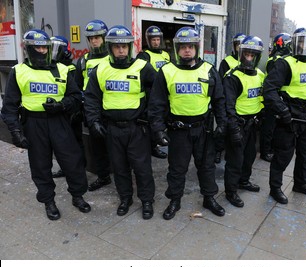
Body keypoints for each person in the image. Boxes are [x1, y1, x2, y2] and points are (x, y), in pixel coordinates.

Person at [1, 29, 91, 220]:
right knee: (40, 166)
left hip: (59, 121)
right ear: (29, 49)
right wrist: (16, 131)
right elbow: (9, 107)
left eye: (45, 47)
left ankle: (77, 195)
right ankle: (49, 201)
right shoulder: (19, 72)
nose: (42, 51)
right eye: (38, 47)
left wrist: (61, 105)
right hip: (33, 124)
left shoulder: (62, 69)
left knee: (72, 161)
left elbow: (76, 97)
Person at [148, 26, 227, 220]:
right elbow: (156, 103)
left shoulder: (208, 70)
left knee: (207, 166)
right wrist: (158, 129)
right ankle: (175, 200)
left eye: (191, 46)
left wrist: (222, 124)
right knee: (177, 168)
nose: (187, 50)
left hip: (203, 129)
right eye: (183, 46)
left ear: (196, 48)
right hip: (178, 130)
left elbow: (219, 100)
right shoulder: (167, 71)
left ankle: (209, 198)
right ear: (177, 49)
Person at [83, 25, 156, 219]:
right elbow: (91, 98)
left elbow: (157, 94)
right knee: (120, 167)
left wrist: (148, 116)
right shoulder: (101, 69)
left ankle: (147, 200)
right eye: (117, 47)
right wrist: (94, 121)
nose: (121, 50)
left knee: (142, 168)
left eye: (124, 46)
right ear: (110, 48)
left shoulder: (142, 67)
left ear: (130, 47)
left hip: (137, 128)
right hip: (112, 129)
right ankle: (125, 198)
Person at [262, 27, 306, 204]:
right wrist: (282, 111)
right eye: (300, 42)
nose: (304, 46)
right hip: (289, 115)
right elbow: (269, 89)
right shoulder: (285, 63)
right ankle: (275, 188)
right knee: (283, 155)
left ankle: (300, 183)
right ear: (294, 43)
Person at [223, 35, 265, 207]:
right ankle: (231, 191)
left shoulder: (261, 75)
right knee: (235, 160)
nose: (249, 58)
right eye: (246, 54)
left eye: (252, 55)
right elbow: (228, 105)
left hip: (253, 123)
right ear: (240, 54)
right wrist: (233, 129)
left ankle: (244, 181)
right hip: (238, 124)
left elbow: (262, 98)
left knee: (249, 156)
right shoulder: (232, 76)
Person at [74, 19, 112, 191]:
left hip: (112, 108)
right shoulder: (83, 61)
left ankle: (122, 175)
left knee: (118, 145)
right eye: (91, 38)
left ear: (104, 38)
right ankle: (103, 176)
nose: (94, 40)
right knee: (97, 146)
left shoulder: (113, 58)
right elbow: (77, 85)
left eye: (98, 37)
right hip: (92, 110)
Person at [50, 35, 83, 178]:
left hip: (71, 113)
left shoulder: (71, 69)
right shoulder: (51, 67)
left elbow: (76, 92)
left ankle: (79, 170)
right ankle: (66, 169)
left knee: (75, 143)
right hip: (57, 113)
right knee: (62, 146)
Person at [136, 25, 170, 159]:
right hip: (151, 94)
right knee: (150, 123)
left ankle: (158, 142)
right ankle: (151, 148)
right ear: (148, 40)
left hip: (165, 92)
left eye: (157, 39)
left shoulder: (166, 55)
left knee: (162, 120)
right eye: (153, 40)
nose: (156, 42)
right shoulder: (144, 55)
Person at [214, 32, 246, 164]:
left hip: (240, 101)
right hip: (227, 98)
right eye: (237, 45)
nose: (239, 48)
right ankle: (218, 150)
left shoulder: (248, 61)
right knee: (223, 128)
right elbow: (221, 81)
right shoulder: (227, 61)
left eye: (241, 45)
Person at [259, 32, 292, 162]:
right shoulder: (276, 60)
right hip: (272, 98)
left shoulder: (277, 59)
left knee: (273, 127)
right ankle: (265, 152)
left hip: (277, 97)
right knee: (268, 127)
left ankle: (270, 149)